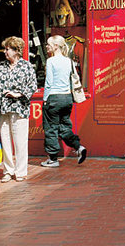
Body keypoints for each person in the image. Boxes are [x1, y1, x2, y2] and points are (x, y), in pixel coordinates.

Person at [0, 37, 37, 183]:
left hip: (19, 108)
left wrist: (18, 94)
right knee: (5, 141)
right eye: (5, 49)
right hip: (3, 108)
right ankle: (7, 171)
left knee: (20, 142)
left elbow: (33, 86)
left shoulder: (26, 66)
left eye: (7, 49)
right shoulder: (1, 66)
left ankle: (20, 172)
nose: (5, 52)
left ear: (16, 51)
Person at [41, 35, 86, 168]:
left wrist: (45, 99)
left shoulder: (51, 61)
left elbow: (49, 82)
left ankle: (53, 159)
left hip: (53, 97)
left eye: (48, 44)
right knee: (64, 126)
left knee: (51, 128)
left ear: (56, 46)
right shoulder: (69, 61)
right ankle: (78, 147)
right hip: (67, 98)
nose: (46, 46)